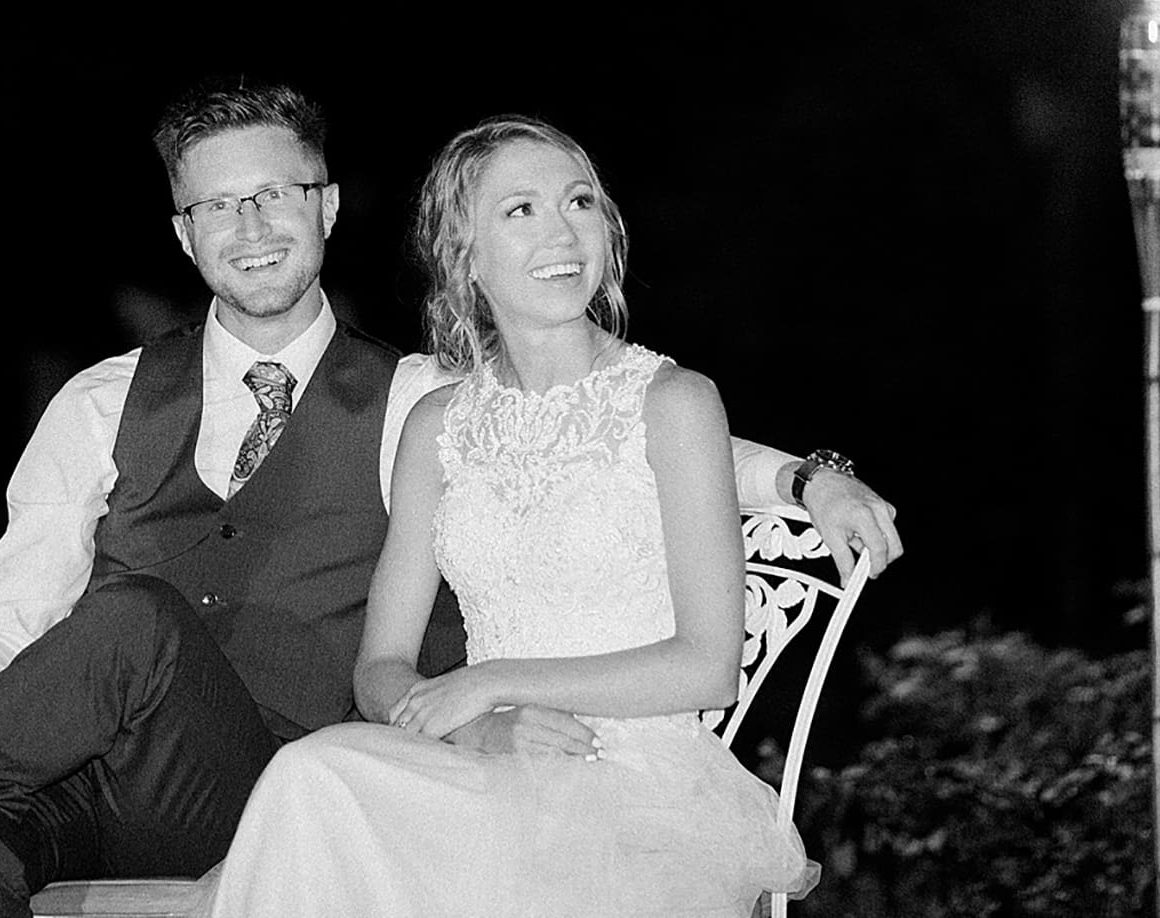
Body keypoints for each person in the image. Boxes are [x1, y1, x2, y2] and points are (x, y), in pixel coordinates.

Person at [0, 80, 904, 918]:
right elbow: (10, 599)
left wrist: (800, 473)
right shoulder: (97, 399)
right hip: (83, 771)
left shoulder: (414, 397)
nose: (251, 223)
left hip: (275, 771)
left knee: (134, 617)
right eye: (218, 203)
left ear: (328, 209)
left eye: (277, 194)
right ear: (184, 233)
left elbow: (606, 426)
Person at [201, 115, 815, 917]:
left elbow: (708, 666)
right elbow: (380, 668)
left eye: (580, 202)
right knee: (312, 778)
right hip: (483, 766)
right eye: (520, 210)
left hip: (628, 780)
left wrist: (489, 683)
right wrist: (476, 725)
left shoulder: (675, 402)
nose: (561, 230)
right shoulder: (438, 427)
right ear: (465, 257)